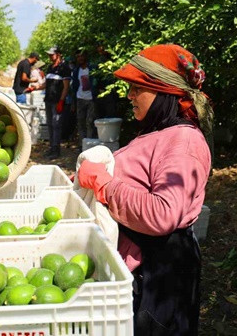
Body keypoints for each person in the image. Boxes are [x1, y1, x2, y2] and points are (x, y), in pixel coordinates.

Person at [77, 44, 213, 335]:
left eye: (137, 88)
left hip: (159, 276)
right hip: (144, 270)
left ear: (164, 90)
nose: (129, 96)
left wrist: (104, 185)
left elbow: (163, 213)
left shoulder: (183, 142)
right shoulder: (160, 133)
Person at [42, 46, 71, 159]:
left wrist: (61, 101)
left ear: (58, 54)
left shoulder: (64, 68)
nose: (50, 56)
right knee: (50, 125)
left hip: (56, 101)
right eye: (49, 54)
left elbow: (66, 87)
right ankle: (51, 148)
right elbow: (46, 84)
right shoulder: (50, 67)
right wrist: (34, 88)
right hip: (48, 100)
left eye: (52, 54)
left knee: (56, 125)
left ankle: (56, 150)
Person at [71, 50, 97, 147]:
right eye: (78, 57)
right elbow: (74, 87)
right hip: (80, 98)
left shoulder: (92, 68)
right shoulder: (76, 71)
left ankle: (89, 144)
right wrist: (73, 103)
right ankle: (82, 144)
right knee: (80, 122)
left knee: (89, 122)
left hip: (91, 99)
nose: (80, 58)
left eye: (81, 56)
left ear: (85, 56)